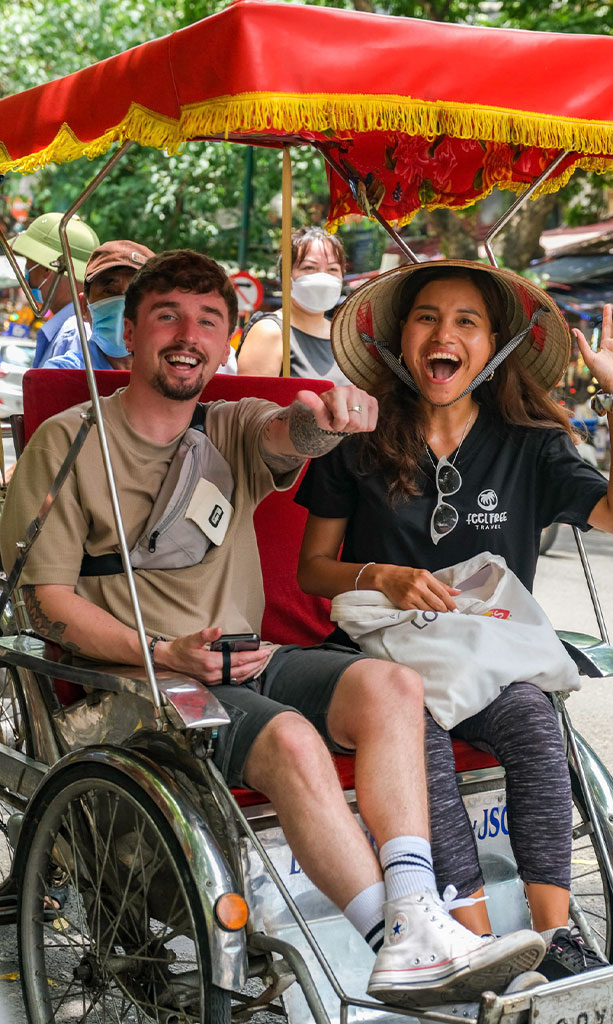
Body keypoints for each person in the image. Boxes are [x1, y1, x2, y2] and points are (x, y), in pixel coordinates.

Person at [0, 249, 544, 1005]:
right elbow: (49, 602)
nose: (188, 335)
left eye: (208, 321)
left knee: (391, 684)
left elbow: (290, 434)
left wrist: (324, 420)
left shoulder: (228, 426)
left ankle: (418, 917)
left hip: (248, 661)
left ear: (227, 343)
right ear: (129, 333)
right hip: (142, 681)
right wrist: (162, 652)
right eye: (167, 317)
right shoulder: (65, 443)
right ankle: (393, 939)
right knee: (289, 735)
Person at [295, 259, 613, 982]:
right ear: (401, 341)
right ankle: (474, 940)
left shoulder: (528, 444)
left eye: (465, 322)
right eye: (426, 317)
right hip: (381, 661)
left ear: (493, 347)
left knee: (533, 719)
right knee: (412, 730)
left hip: (484, 660)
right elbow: (312, 569)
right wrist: (381, 577)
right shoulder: (358, 439)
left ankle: (556, 940)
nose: (442, 335)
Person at [236, 226, 350, 383]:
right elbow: (251, 403)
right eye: (309, 267)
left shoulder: (344, 336)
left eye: (332, 269)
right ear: (286, 277)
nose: (323, 277)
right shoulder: (270, 331)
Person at [42, 239, 154, 370]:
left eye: (135, 293)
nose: (122, 306)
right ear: (83, 306)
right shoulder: (63, 374)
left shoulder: (169, 380)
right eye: (109, 291)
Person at [10, 212, 100, 366]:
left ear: (47, 269)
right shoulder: (72, 330)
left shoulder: (73, 334)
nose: (26, 270)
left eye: (29, 262)